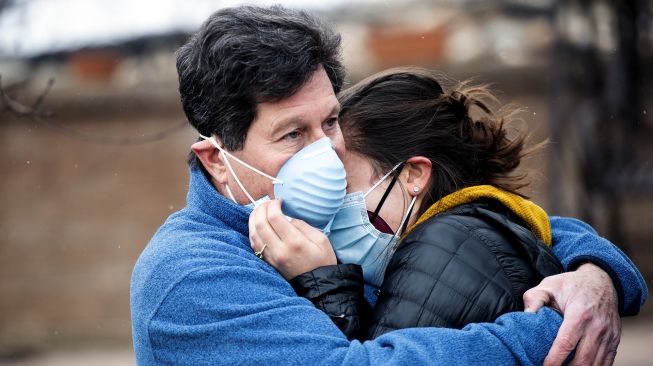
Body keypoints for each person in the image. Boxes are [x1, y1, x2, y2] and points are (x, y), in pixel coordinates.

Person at [130, 5, 648, 365]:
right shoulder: (191, 277)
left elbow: (503, 224)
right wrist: (552, 326)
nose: (326, 152)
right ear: (216, 161)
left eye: (330, 122)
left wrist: (595, 275)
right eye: (292, 134)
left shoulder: (309, 211)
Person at [248, 67, 642, 353]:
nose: (332, 207)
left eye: (344, 184)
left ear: (414, 176)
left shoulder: (443, 243)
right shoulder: (478, 226)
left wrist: (321, 281)